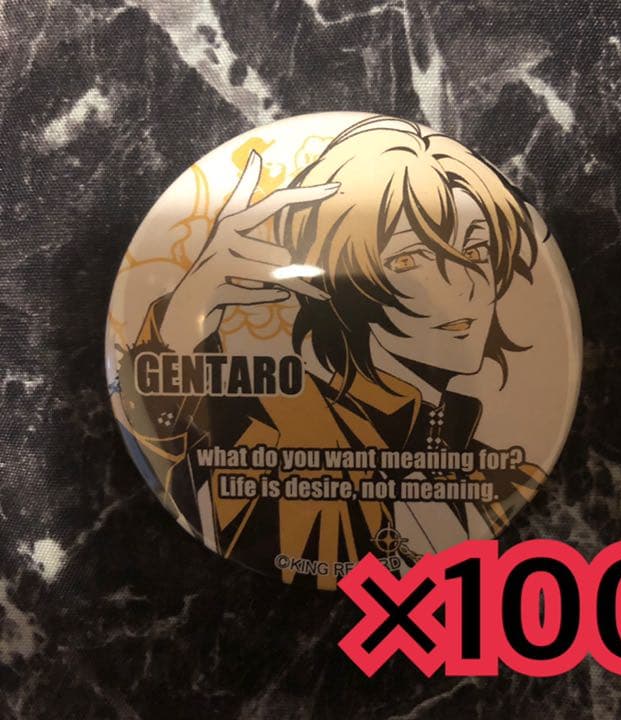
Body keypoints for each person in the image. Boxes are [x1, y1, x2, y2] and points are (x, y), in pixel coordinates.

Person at [118, 115, 546, 590]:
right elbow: (165, 439)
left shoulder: (502, 474)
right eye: (407, 258)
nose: (462, 287)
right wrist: (182, 319)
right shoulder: (273, 441)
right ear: (335, 286)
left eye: (477, 249)